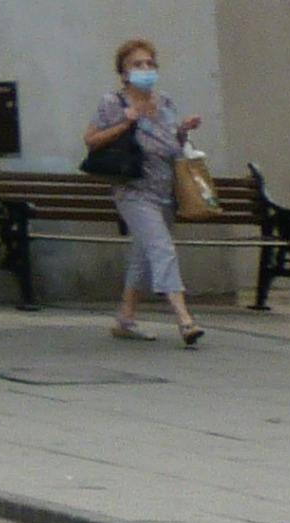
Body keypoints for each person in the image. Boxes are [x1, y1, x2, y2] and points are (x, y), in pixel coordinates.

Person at [86, 38, 206, 347]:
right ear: (124, 73)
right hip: (134, 190)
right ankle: (184, 318)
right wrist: (125, 123)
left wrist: (183, 130)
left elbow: (170, 146)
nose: (145, 69)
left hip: (165, 188)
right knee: (162, 248)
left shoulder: (163, 101)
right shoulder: (113, 102)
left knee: (144, 254)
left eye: (150, 64)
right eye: (137, 65)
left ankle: (125, 319)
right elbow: (91, 140)